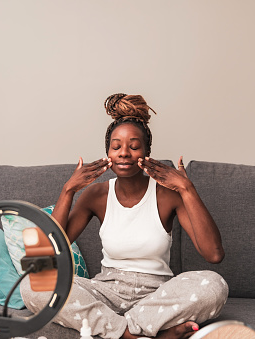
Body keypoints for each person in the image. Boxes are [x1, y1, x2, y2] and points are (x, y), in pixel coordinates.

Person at [20, 93, 228, 339]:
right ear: (108, 152)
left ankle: (118, 330)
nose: (124, 153)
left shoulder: (168, 194)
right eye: (116, 146)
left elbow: (213, 254)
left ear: (147, 151)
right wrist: (68, 191)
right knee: (33, 284)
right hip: (106, 293)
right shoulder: (95, 195)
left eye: (134, 146)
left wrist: (186, 189)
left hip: (157, 297)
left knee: (214, 286)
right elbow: (47, 253)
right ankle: (137, 334)